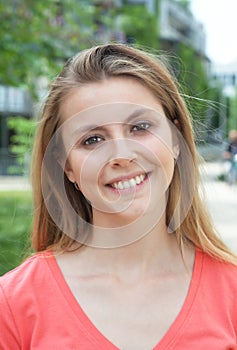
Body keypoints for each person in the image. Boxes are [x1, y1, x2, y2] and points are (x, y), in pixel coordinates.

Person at [0, 43, 237, 349]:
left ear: (175, 139)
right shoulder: (12, 305)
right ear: (66, 165)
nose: (121, 155)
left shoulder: (231, 292)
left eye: (140, 127)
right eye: (93, 139)